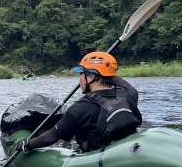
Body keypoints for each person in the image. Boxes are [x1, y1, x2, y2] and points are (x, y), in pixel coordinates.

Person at [14, 52, 142, 153]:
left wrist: (26, 144)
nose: (79, 79)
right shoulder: (128, 94)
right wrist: (106, 69)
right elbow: (119, 81)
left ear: (91, 77)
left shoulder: (80, 107)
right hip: (125, 151)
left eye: (81, 74)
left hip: (98, 158)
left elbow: (52, 136)